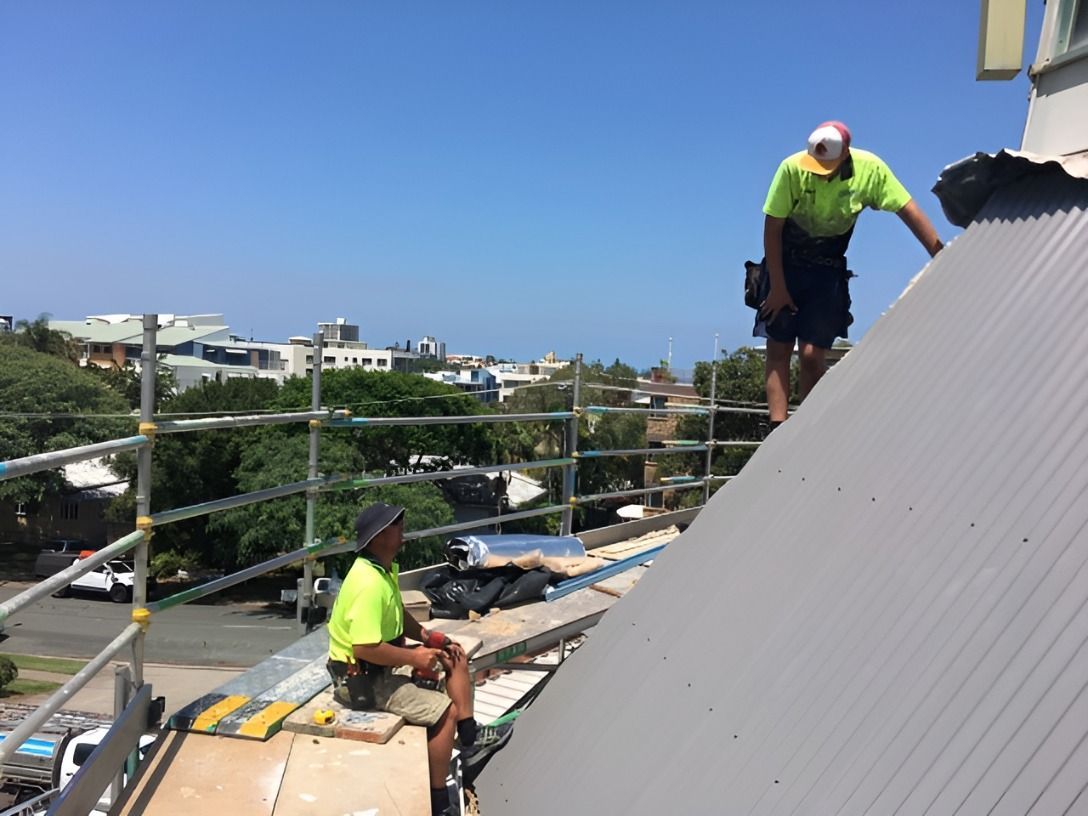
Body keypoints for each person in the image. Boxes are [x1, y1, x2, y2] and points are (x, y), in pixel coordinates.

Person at [756, 121, 944, 430]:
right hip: (784, 262)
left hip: (827, 268)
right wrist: (777, 287)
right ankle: (776, 428)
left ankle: (810, 429)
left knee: (812, 353)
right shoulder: (792, 168)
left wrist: (940, 254)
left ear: (844, 155)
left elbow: (908, 209)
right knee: (779, 346)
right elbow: (772, 226)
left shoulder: (870, 169)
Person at [326, 502, 509, 816]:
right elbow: (363, 648)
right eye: (397, 525)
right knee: (444, 712)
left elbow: (397, 614)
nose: (402, 531)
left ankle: (470, 740)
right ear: (380, 536)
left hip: (380, 665)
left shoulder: (382, 571)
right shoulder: (367, 583)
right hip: (361, 680)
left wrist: (428, 638)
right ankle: (438, 800)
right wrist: (414, 659)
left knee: (455, 657)